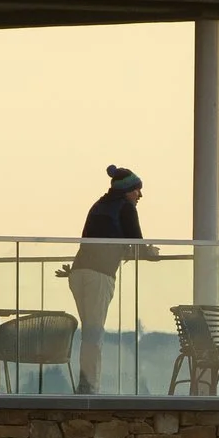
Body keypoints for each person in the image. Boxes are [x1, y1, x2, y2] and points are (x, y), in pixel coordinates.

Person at [64, 165, 143, 393]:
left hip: (78, 272)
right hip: (99, 275)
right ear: (127, 191)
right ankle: (90, 387)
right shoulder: (125, 208)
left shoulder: (98, 206)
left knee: (89, 332)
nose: (140, 196)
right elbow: (138, 245)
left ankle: (85, 384)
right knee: (94, 333)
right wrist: (151, 253)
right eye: (137, 190)